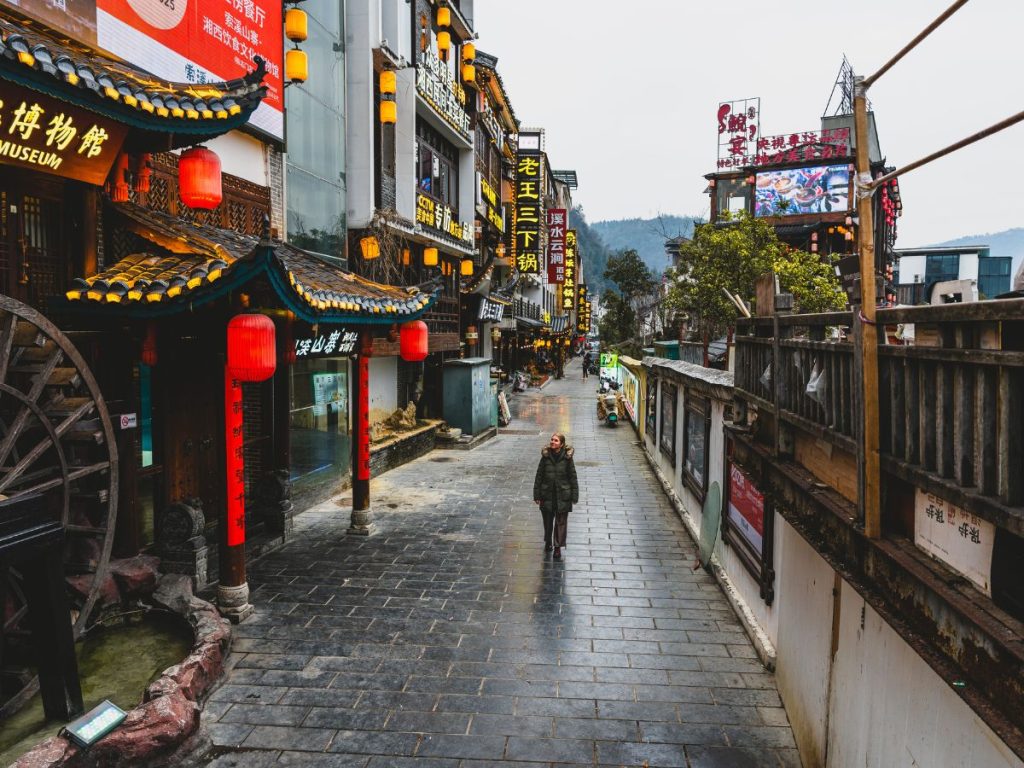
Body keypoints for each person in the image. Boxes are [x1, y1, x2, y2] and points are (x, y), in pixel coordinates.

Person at [533, 433, 578, 560]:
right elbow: (539, 476)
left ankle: (557, 547)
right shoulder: (545, 457)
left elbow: (572, 477)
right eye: (552, 439)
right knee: (547, 522)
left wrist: (574, 495)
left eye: (556, 440)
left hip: (563, 495)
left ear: (562, 444)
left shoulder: (567, 458)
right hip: (547, 494)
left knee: (561, 522)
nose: (552, 442)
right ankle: (548, 541)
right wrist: (537, 495)